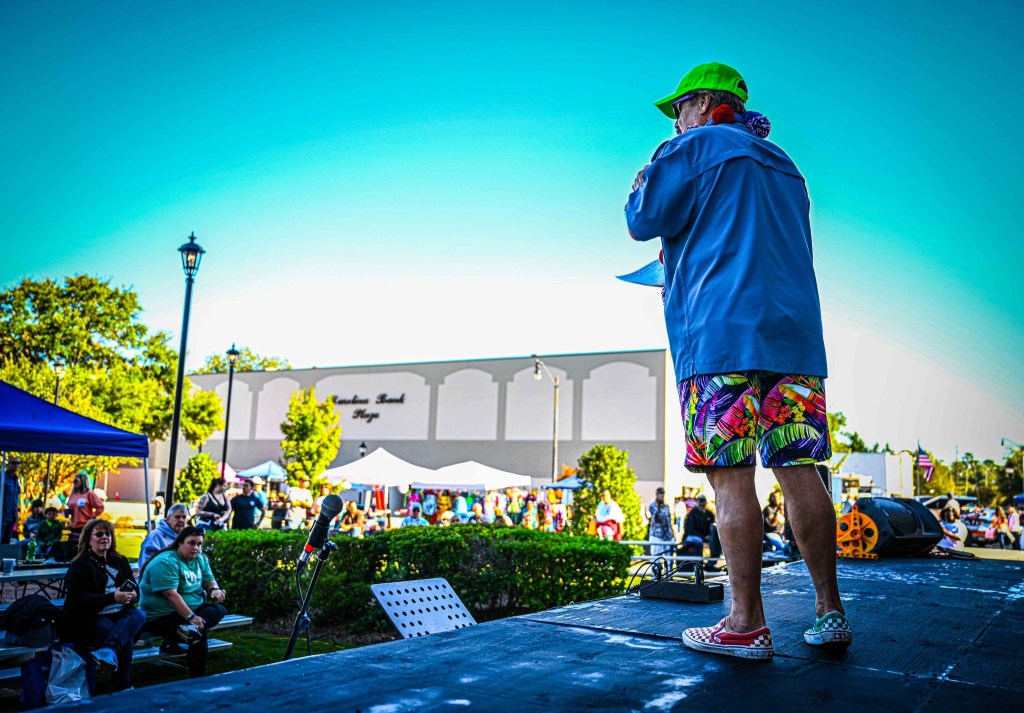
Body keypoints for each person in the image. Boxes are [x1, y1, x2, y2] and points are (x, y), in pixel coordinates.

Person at [625, 61, 847, 659]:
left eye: (678, 109)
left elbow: (642, 220)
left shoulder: (692, 147)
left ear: (701, 104)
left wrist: (646, 176)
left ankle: (746, 623)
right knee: (800, 470)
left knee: (730, 477)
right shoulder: (785, 164)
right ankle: (830, 612)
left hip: (720, 334)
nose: (675, 121)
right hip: (793, 339)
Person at [62, 518, 146, 691]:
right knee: (123, 637)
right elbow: (79, 600)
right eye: (99, 534)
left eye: (108, 534)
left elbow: (134, 587)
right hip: (93, 616)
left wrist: (133, 594)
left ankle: (108, 651)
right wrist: (112, 597)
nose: (105, 537)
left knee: (139, 614)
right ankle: (123, 685)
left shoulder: (119, 560)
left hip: (121, 612)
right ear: (88, 539)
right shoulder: (80, 565)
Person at [140, 526, 227, 678]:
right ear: (180, 542)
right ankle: (198, 678)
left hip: (189, 612)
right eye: (191, 543)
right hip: (161, 616)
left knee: (219, 610)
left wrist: (215, 589)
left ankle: (189, 631)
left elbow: (209, 579)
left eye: (199, 544)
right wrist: (191, 617)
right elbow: (171, 595)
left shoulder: (200, 559)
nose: (196, 548)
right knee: (198, 634)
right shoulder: (166, 562)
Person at [138, 503, 189, 569]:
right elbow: (145, 565)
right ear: (168, 518)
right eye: (177, 517)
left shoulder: (189, 537)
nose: (181, 520)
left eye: (184, 517)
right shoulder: (155, 536)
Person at [67, 472, 104, 546]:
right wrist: (68, 512)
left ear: (83, 481)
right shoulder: (73, 494)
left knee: (84, 547)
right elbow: (71, 507)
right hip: (74, 525)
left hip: (86, 525)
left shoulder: (89, 493)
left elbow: (100, 507)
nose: (74, 482)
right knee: (73, 548)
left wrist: (92, 516)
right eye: (74, 481)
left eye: (76, 481)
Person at [646, 487, 676, 556]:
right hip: (656, 535)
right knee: (656, 557)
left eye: (663, 493)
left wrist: (672, 533)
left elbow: (668, 520)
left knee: (669, 558)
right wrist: (659, 506)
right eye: (660, 493)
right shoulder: (652, 505)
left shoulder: (666, 506)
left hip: (667, 536)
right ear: (657, 494)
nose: (662, 495)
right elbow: (658, 517)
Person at [762, 492, 791, 556]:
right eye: (773, 497)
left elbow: (786, 522)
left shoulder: (782, 508)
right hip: (771, 533)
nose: (775, 499)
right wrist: (777, 512)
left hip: (781, 535)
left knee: (788, 548)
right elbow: (772, 524)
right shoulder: (768, 509)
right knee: (782, 548)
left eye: (777, 497)